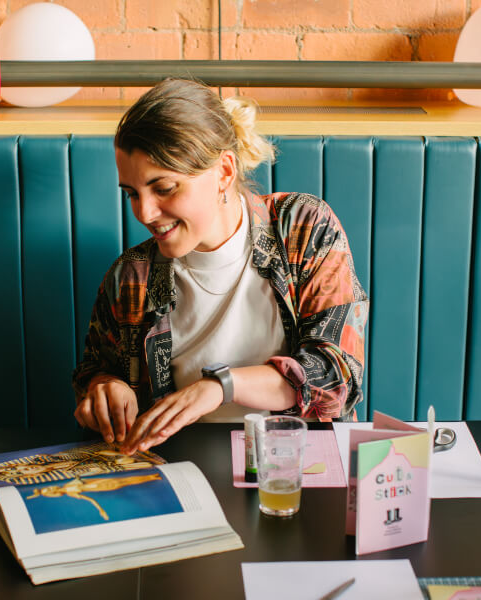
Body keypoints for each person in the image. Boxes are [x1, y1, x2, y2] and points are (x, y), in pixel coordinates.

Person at [72, 78, 368, 455]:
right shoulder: (132, 277)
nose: (143, 212)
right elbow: (94, 370)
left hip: (298, 465)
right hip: (182, 469)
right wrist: (105, 389)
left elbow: (335, 375)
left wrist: (219, 386)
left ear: (224, 172)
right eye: (132, 193)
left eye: (163, 188)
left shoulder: (302, 228)